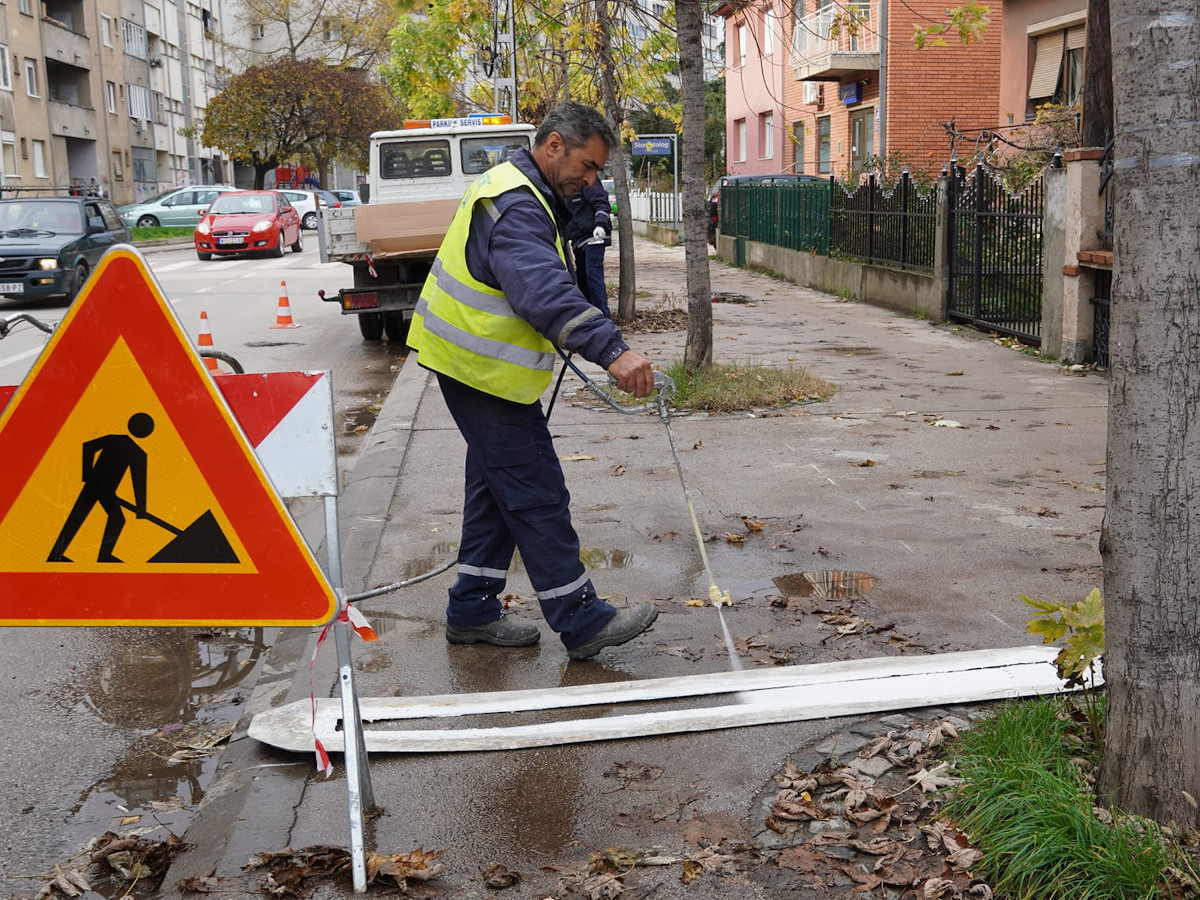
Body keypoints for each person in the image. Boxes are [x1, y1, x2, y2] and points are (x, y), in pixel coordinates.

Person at [407, 101, 659, 661]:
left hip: (479, 369)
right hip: (479, 371)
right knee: (535, 489)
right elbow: (542, 290)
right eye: (588, 166)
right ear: (553, 145)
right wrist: (612, 351)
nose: (590, 181)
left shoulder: (523, 191)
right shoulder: (518, 204)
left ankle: (471, 610)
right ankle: (583, 621)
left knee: (495, 491)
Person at [566, 175, 612, 316]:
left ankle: (603, 316)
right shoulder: (565, 182)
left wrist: (600, 224)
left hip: (594, 236)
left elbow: (601, 202)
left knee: (593, 276)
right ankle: (591, 316)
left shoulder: (585, 178)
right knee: (582, 280)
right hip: (579, 239)